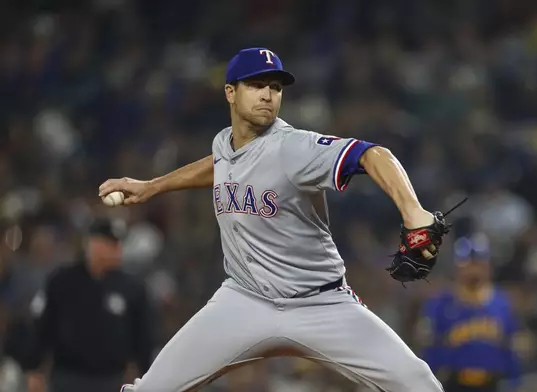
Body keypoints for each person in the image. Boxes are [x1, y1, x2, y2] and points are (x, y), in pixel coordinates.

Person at [100, 47, 445, 392]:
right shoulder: (224, 143)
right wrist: (152, 186)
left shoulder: (293, 148)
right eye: (256, 85)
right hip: (243, 300)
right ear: (230, 93)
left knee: (420, 385)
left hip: (321, 303)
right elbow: (222, 165)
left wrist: (413, 212)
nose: (268, 94)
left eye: (275, 87)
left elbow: (373, 154)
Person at [21, 218, 153, 392]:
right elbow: (44, 326)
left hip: (112, 379)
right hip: (68, 377)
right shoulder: (62, 281)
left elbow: (143, 336)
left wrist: (148, 375)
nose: (118, 250)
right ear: (92, 244)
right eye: (110, 244)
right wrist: (34, 369)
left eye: (118, 244)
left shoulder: (131, 287)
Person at [417, 233, 521, 392]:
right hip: (453, 383)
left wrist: (515, 382)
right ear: (457, 268)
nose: (473, 270)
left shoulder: (502, 304)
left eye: (478, 264)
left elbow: (512, 347)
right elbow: (428, 349)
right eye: (468, 265)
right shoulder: (439, 305)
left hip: (493, 384)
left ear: (488, 267)